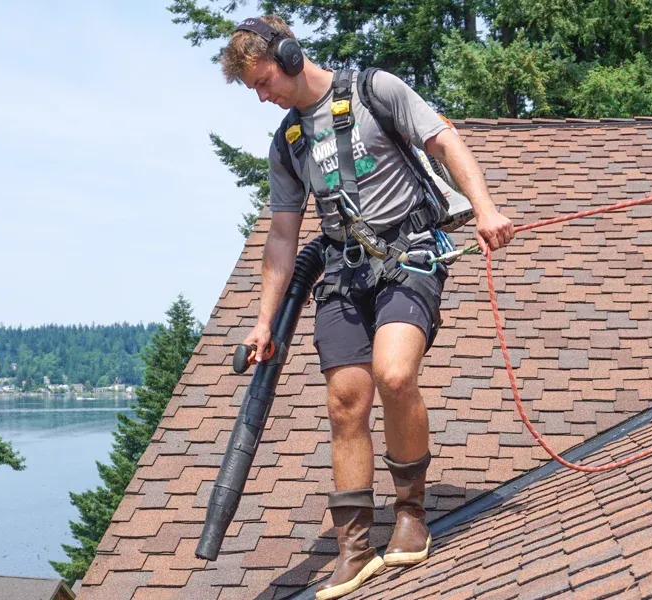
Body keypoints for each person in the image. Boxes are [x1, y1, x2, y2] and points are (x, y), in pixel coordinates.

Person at [221, 14, 514, 600]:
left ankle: (410, 510)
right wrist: (263, 320)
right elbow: (282, 237)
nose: (261, 96)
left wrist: (484, 208)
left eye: (262, 81)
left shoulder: (375, 90)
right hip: (343, 274)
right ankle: (354, 545)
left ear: (289, 53)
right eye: (252, 88)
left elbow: (444, 139)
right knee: (345, 401)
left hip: (409, 256)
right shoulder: (289, 143)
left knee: (394, 373)